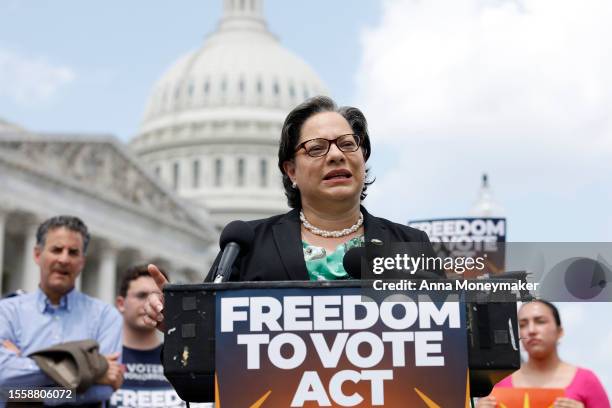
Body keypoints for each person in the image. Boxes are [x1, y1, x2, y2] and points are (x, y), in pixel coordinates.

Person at [143, 95, 441, 329]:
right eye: (316, 148)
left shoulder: (408, 244)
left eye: (348, 144)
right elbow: (202, 364)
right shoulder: (247, 245)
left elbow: (447, 344)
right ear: (291, 171)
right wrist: (180, 327)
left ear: (363, 158)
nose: (337, 155)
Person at [0, 215, 123, 407]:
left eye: (73, 252)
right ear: (37, 254)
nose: (64, 259)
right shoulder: (6, 312)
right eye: (57, 250)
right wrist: (86, 370)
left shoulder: (106, 316)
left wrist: (26, 380)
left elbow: (104, 389)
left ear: (82, 261)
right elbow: (3, 378)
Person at [476, 300, 610, 408]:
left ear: (560, 331)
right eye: (522, 325)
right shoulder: (498, 385)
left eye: (540, 321)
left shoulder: (586, 380)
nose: (531, 330)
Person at [110, 265, 201, 408]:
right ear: (121, 304)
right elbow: (62, 395)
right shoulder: (101, 357)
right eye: (141, 295)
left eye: (158, 296)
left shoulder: (185, 359)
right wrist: (87, 386)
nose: (150, 303)